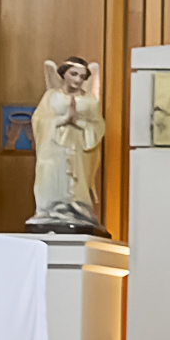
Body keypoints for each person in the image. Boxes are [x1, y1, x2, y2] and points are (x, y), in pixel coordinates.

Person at [28, 57, 104, 234]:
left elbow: (98, 125)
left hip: (78, 146)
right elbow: (39, 120)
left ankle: (78, 210)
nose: (78, 80)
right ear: (64, 74)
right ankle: (50, 211)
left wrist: (78, 122)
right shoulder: (51, 96)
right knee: (52, 175)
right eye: (74, 74)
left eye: (82, 77)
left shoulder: (89, 101)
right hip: (54, 146)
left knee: (77, 180)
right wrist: (63, 119)